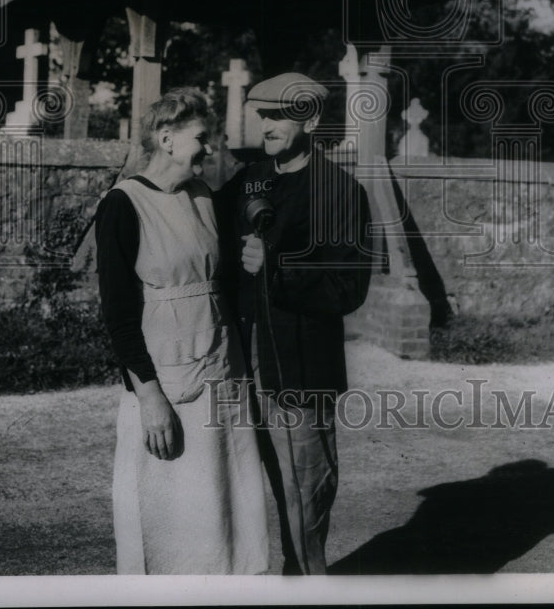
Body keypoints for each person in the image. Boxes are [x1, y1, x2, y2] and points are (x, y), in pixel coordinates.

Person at [95, 88, 268, 575]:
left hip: (222, 373)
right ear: (167, 139)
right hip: (167, 385)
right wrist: (149, 397)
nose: (209, 149)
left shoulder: (204, 198)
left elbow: (228, 288)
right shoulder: (123, 205)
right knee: (169, 510)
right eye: (201, 138)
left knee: (226, 502)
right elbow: (120, 315)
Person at [215, 73, 373, 575]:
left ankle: (310, 583)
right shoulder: (249, 179)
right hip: (242, 357)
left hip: (302, 364)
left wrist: (279, 269)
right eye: (262, 114)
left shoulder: (339, 191)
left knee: (307, 485)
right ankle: (290, 576)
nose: (267, 124)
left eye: (279, 114)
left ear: (312, 119)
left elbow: (348, 289)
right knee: (258, 479)